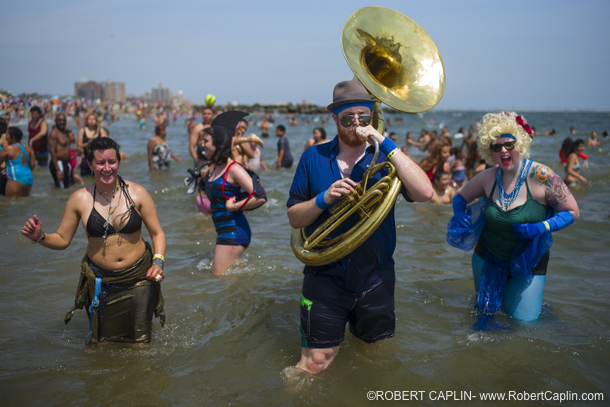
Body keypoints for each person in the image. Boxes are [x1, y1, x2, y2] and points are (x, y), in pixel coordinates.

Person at [287, 79, 433, 374]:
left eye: (363, 117)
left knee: (372, 358)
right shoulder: (312, 156)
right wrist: (323, 199)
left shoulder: (388, 159)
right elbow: (294, 217)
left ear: (373, 117)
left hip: (376, 277)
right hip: (324, 275)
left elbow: (425, 193)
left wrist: (385, 142)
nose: (356, 124)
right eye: (347, 118)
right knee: (314, 363)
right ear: (334, 120)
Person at [21, 137, 166, 344]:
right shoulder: (79, 199)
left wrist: (158, 261)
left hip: (139, 278)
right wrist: (40, 237)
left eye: (112, 162)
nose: (107, 168)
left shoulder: (138, 193)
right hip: (101, 282)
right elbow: (62, 239)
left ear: (118, 162)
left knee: (141, 343)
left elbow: (157, 233)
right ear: (89, 164)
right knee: (103, 345)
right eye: (100, 163)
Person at [450, 112, 579, 321]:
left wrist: (542, 227)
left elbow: (572, 211)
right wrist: (458, 213)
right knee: (486, 318)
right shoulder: (488, 177)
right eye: (496, 146)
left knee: (524, 324)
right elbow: (460, 197)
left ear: (521, 143)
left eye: (509, 144)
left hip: (529, 261)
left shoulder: (542, 176)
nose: (503, 150)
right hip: (488, 256)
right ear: (489, 151)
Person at [200, 111, 267, 275]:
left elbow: (260, 197)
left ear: (217, 144)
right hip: (223, 230)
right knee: (223, 280)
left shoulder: (234, 169)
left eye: (206, 141)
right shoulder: (215, 168)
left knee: (218, 278)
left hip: (233, 232)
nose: (202, 144)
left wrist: (235, 206)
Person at [0, 127, 35, 197]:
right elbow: (32, 165)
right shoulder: (28, 148)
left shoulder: (8, 148)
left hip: (15, 179)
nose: (6, 138)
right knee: (22, 204)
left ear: (12, 138)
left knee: (9, 204)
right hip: (28, 178)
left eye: (7, 135)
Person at [48, 113, 75, 188]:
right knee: (61, 188)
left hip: (65, 163)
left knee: (67, 187)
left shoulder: (64, 132)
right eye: (59, 120)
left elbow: (65, 148)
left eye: (63, 120)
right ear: (55, 121)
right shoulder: (54, 133)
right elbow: (52, 151)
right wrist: (58, 170)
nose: (62, 122)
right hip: (58, 164)